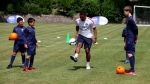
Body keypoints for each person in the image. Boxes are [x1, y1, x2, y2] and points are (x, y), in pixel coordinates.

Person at [123, 6, 138, 75]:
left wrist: (135, 38)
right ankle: (132, 69)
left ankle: (132, 71)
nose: (124, 12)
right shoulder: (129, 19)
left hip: (130, 39)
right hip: (130, 38)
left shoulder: (131, 19)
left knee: (129, 54)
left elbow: (136, 29)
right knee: (131, 54)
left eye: (125, 11)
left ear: (128, 11)